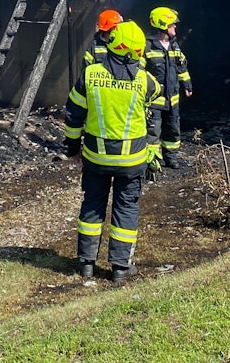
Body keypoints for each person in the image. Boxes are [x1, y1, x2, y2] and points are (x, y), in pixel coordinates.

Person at [63, 19, 161, 282]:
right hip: (132, 160)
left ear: (113, 43)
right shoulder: (145, 81)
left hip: (95, 157)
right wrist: (154, 146)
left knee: (93, 204)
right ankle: (120, 267)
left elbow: (73, 116)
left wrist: (72, 148)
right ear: (138, 50)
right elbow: (156, 110)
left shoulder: (90, 74)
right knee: (126, 207)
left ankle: (86, 263)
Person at [145, 6, 193, 168]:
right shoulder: (148, 46)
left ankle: (170, 157)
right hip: (155, 100)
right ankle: (151, 161)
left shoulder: (174, 45)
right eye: (172, 24)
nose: (175, 27)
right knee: (153, 131)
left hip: (172, 98)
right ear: (163, 25)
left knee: (172, 128)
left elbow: (181, 66)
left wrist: (187, 84)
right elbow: (140, 73)